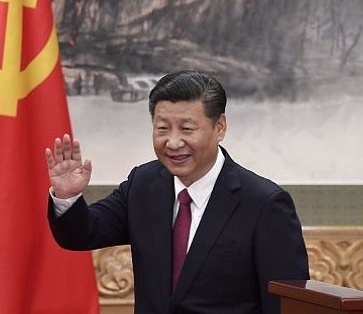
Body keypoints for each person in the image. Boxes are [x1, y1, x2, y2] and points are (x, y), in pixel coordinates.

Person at [44, 69, 309, 314]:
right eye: (162, 129)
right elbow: (82, 234)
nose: (172, 142)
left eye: (186, 129)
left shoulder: (264, 204)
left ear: (219, 127)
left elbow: (287, 305)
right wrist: (67, 196)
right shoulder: (143, 184)